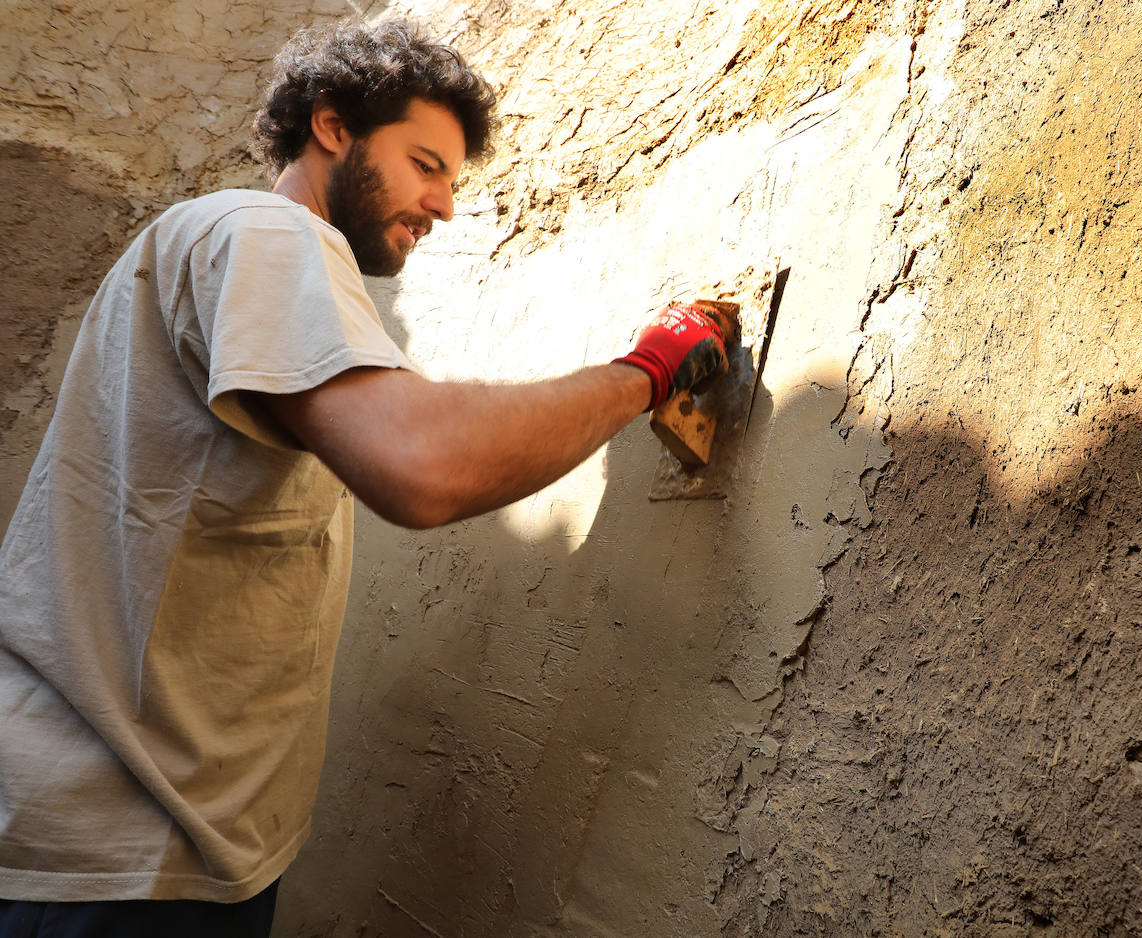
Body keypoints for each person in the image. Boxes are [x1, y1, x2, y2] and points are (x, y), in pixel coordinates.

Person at [0, 19, 728, 937]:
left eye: (454, 178)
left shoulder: (201, 251)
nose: (445, 204)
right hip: (131, 855)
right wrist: (647, 371)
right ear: (334, 128)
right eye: (426, 163)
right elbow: (422, 467)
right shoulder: (267, 232)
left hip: (119, 834)